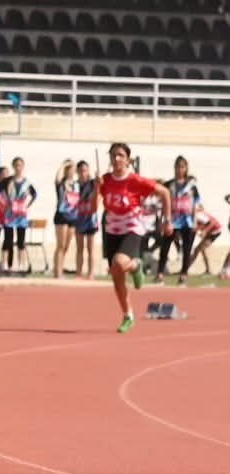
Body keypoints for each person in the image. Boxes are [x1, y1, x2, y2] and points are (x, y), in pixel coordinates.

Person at [97, 142, 172, 333]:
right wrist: (95, 188)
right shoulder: (104, 180)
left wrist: (167, 220)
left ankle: (136, 265)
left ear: (128, 160)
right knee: (116, 275)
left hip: (132, 228)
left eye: (121, 155)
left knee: (120, 263)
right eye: (113, 155)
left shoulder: (135, 181)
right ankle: (128, 315)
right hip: (111, 230)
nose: (117, 159)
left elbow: (165, 192)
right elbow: (92, 208)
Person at [157, 156, 199, 286]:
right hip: (172, 220)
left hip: (187, 220)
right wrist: (162, 220)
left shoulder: (191, 186)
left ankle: (183, 274)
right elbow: (163, 203)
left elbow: (195, 203)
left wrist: (195, 220)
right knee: (165, 246)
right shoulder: (169, 185)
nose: (179, 170)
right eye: (177, 167)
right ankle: (160, 273)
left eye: (182, 167)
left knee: (187, 249)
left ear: (186, 168)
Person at [2, 157, 37, 274]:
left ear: (23, 167)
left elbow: (34, 195)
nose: (18, 167)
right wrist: (4, 204)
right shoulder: (8, 181)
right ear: (13, 166)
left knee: (21, 241)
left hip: (21, 215)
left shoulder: (27, 183)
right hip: (10, 214)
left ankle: (21, 264)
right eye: (16, 165)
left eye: (20, 165)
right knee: (8, 240)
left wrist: (27, 205)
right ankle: (5, 264)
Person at [52, 159, 79, 278]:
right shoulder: (61, 183)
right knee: (61, 245)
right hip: (62, 215)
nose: (71, 172)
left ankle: (59, 267)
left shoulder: (77, 184)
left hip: (73, 216)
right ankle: (58, 272)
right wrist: (63, 164)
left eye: (72, 169)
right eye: (69, 169)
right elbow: (57, 178)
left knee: (67, 245)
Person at [73, 160, 98, 280]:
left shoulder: (93, 183)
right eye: (81, 171)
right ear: (77, 172)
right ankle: (78, 273)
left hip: (91, 219)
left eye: (85, 171)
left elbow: (101, 185)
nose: (83, 173)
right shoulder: (74, 185)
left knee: (90, 248)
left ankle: (90, 273)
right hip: (79, 218)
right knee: (79, 248)